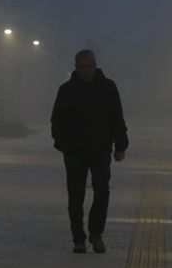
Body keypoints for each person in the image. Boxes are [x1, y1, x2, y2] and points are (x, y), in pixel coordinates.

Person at [51, 49, 128, 254]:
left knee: (102, 191)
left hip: (100, 150)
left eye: (89, 67)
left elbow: (117, 118)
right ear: (76, 67)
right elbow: (57, 120)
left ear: (95, 66)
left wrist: (121, 146)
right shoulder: (67, 90)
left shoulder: (108, 88)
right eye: (82, 67)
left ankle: (96, 233)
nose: (86, 71)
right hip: (74, 151)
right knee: (75, 196)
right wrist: (62, 143)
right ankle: (78, 238)